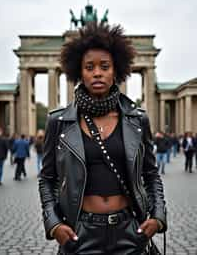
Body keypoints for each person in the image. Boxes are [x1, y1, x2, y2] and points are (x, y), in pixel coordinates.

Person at [38, 22, 167, 255]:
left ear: (115, 71)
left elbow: (150, 174)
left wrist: (158, 216)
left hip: (130, 229)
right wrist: (54, 222)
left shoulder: (137, 120)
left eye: (104, 66)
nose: (97, 72)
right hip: (81, 232)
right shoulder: (58, 122)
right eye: (89, 67)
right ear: (80, 72)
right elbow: (47, 178)